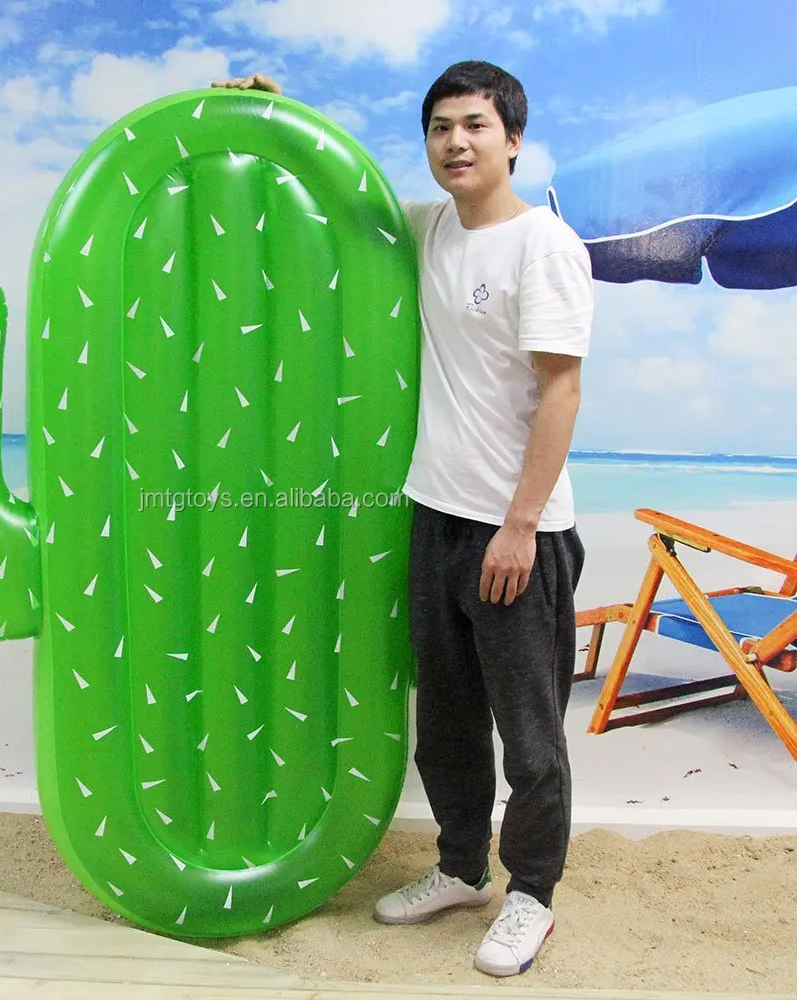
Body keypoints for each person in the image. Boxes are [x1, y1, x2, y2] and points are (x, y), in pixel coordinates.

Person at [212, 62, 592, 978]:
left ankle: (531, 895)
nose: (455, 142)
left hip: (518, 533)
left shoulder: (542, 245)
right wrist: (278, 111)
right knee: (447, 724)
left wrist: (519, 525)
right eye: (438, 128)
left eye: (474, 125)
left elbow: (561, 390)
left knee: (530, 737)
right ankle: (461, 869)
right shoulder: (430, 229)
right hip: (435, 517)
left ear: (512, 139)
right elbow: (344, 192)